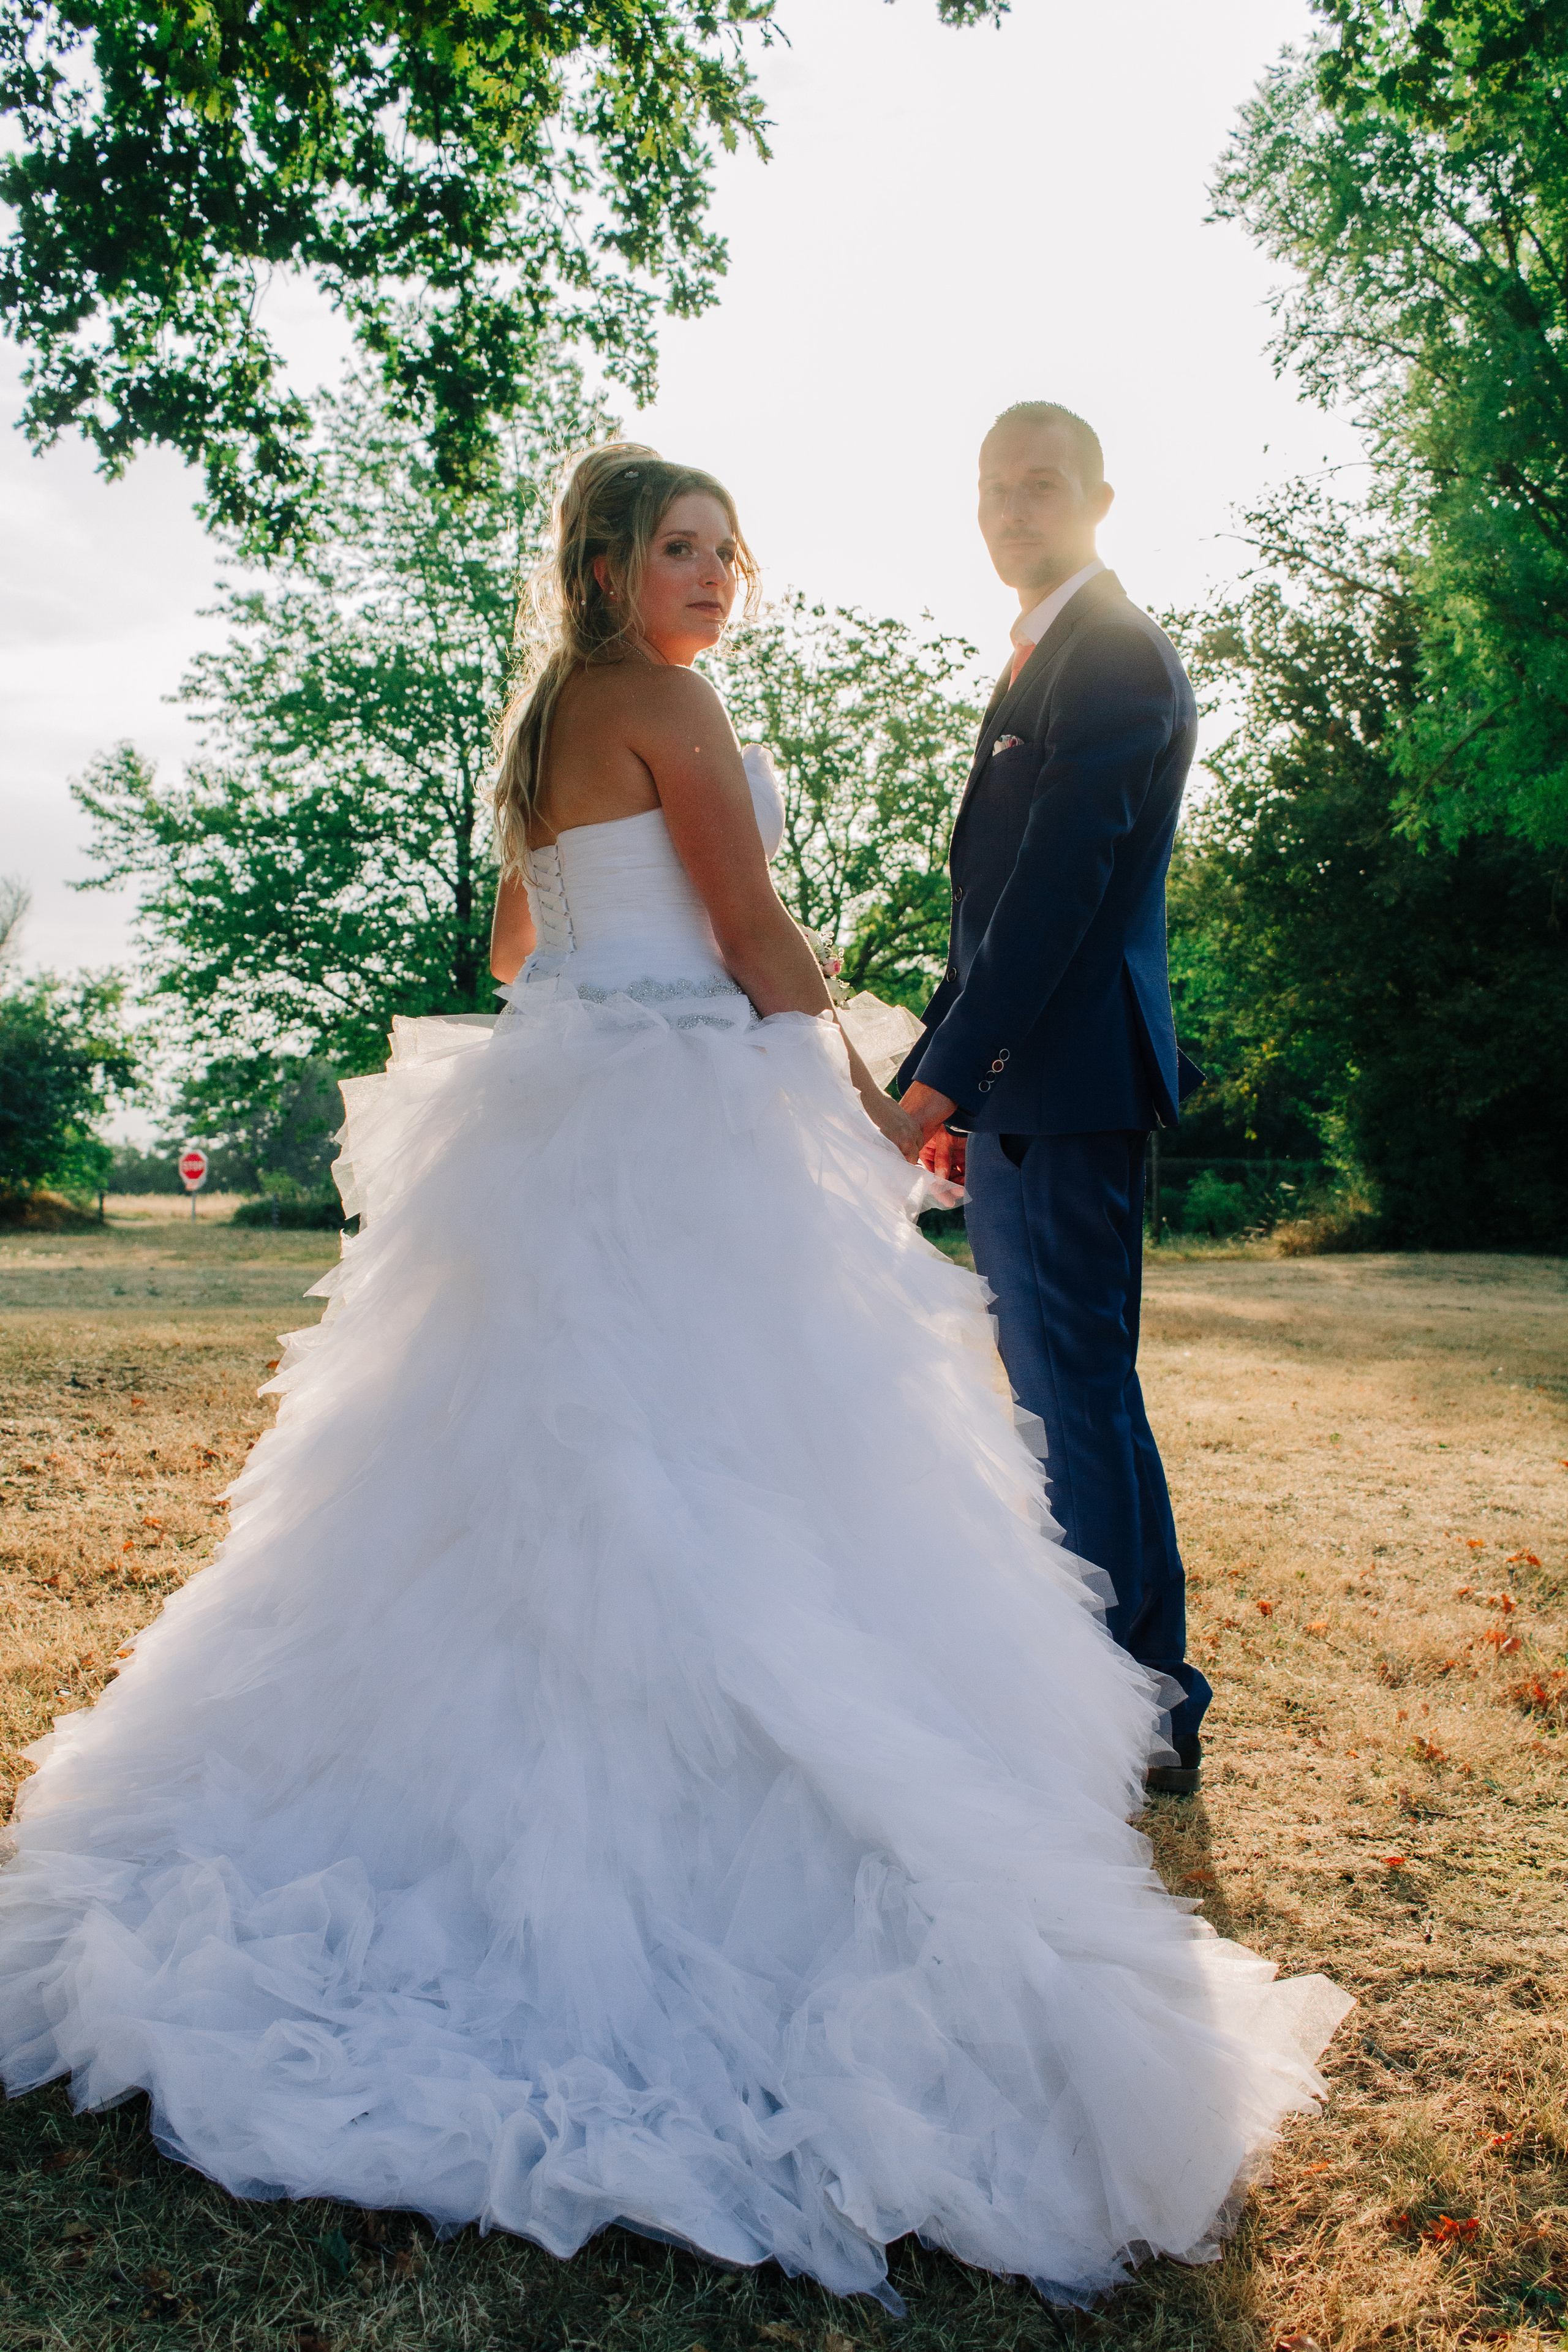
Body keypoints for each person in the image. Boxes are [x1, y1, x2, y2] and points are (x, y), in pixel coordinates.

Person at [0, 445, 1348, 2312]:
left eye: (728, 549)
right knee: (727, 1483)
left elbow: (515, 940)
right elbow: (755, 940)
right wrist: (876, 1119)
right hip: (684, 1118)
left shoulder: (549, 713)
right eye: (678, 549)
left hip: (556, 1114)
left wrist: (601, 971)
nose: (713, 576)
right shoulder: (670, 703)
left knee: (521, 1480)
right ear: (610, 562)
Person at [897, 402, 1210, 1798]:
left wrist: (943, 1074)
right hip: (1031, 1085)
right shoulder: (1048, 653)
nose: (1010, 510)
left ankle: (1138, 1708)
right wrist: (967, 1085)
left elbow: (1051, 902)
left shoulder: (1112, 656)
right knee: (1068, 1390)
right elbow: (990, 913)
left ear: (1095, 498)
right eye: (992, 488)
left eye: (1039, 487)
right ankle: (1131, 1691)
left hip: (1068, 1083)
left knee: (1075, 1395)